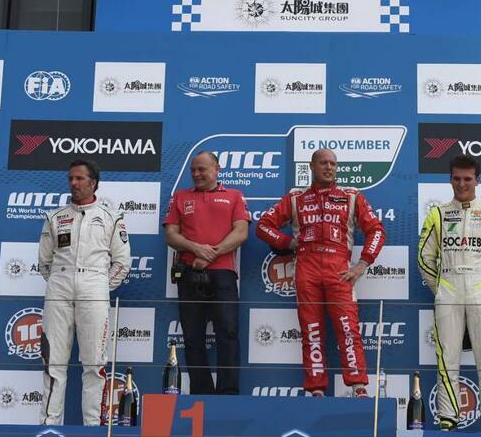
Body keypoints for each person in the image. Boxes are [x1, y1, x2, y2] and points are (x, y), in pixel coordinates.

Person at [256, 148, 385, 397]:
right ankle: (316, 388)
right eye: (323, 163)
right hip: (307, 267)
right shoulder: (296, 197)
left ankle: (358, 387)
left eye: (333, 164)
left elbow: (376, 230)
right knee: (312, 330)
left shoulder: (352, 196)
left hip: (340, 269)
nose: (329, 167)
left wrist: (362, 265)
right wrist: (287, 243)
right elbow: (263, 226)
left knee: (348, 329)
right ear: (311, 167)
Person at [417, 153, 481, 433]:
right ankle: (448, 417)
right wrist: (442, 289)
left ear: (478, 180)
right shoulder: (437, 214)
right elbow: (425, 258)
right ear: (450, 179)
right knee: (447, 357)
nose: (462, 184)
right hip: (448, 288)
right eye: (457, 179)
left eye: (468, 179)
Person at [38, 158, 132, 425]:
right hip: (59, 285)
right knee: (53, 362)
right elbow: (44, 262)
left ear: (93, 183)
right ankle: (48, 427)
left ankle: (93, 428)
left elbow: (122, 262)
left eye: (79, 179)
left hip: (94, 286)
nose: (73, 183)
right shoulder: (55, 217)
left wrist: (100, 284)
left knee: (94, 364)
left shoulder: (111, 217)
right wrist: (61, 279)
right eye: (70, 178)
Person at [163, 151, 250, 394]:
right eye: (193, 170)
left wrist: (211, 253)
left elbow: (241, 232)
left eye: (202, 169)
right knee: (192, 336)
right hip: (189, 273)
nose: (197, 174)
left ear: (217, 169)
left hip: (223, 274)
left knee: (228, 332)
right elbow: (171, 234)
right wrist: (196, 249)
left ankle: (228, 393)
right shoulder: (180, 197)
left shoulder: (234, 196)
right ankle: (202, 393)